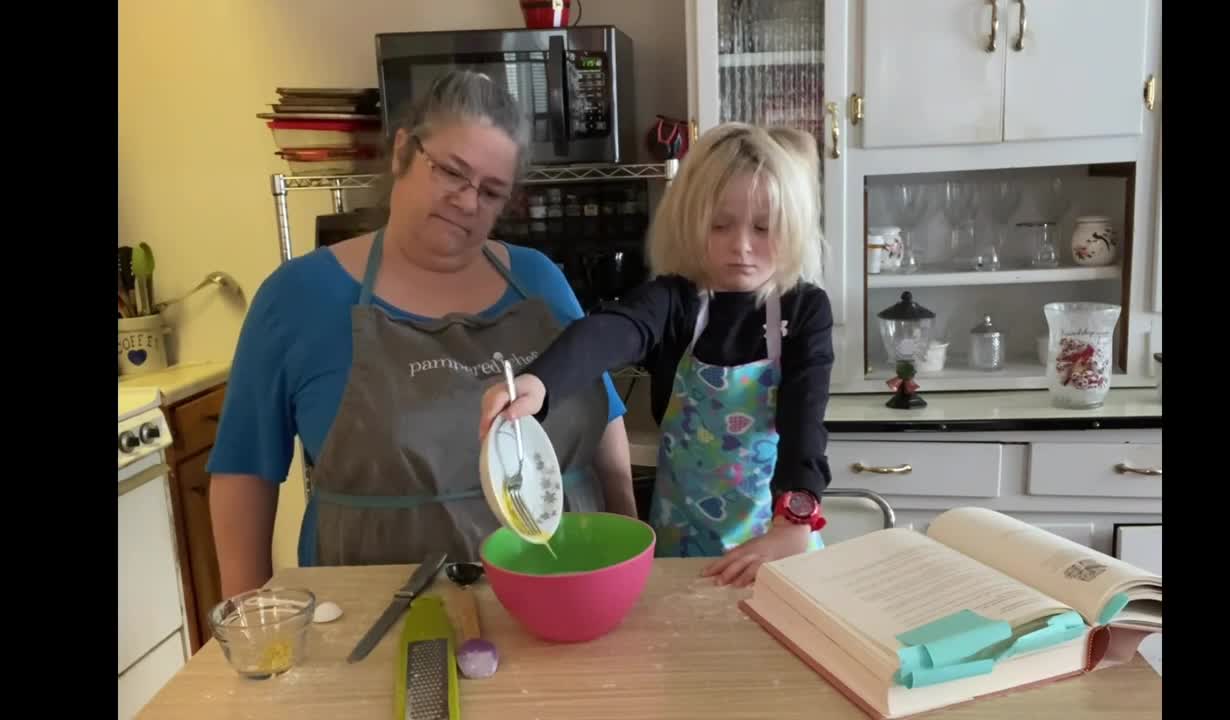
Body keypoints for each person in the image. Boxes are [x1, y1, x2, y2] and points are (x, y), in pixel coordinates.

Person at [207, 70, 636, 600]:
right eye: (452, 172)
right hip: (378, 615)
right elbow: (244, 471)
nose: (466, 201)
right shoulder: (297, 298)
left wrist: (634, 568)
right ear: (403, 151)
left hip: (562, 595)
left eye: (492, 191)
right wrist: (247, 615)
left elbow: (605, 426)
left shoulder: (538, 280)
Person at [479, 122, 834, 588]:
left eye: (764, 227)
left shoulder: (804, 309)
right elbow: (613, 329)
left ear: (793, 227)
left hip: (774, 542)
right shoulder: (675, 301)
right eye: (720, 224)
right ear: (690, 220)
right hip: (682, 542)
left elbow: (804, 423)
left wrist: (795, 519)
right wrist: (541, 382)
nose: (742, 245)